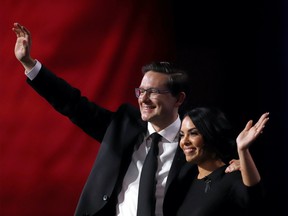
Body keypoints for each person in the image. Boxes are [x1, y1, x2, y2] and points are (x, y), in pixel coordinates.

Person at [12, 23, 240, 216]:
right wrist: (30, 65)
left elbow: (224, 177)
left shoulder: (194, 144)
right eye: (141, 91)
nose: (144, 99)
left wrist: (237, 165)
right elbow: (73, 104)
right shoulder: (124, 125)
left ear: (178, 99)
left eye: (154, 92)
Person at [174, 107, 269, 216]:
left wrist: (243, 150)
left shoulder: (232, 177)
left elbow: (255, 199)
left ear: (211, 135)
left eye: (193, 133)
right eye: (182, 135)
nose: (184, 141)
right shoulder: (186, 177)